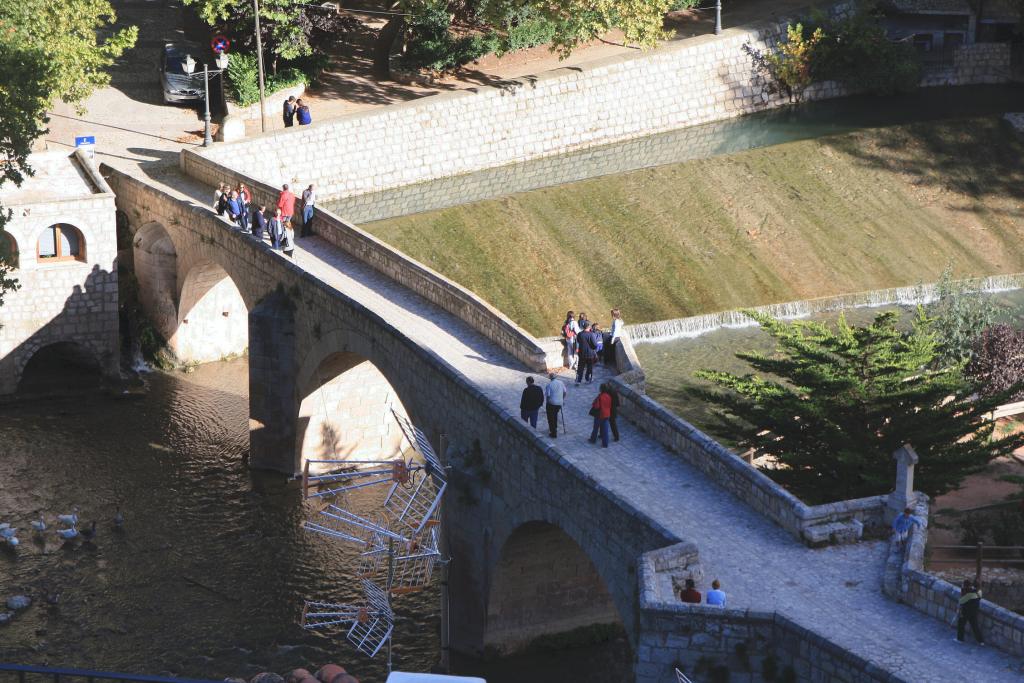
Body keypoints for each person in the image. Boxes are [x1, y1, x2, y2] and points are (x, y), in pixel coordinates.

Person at [956, 580, 984, 645]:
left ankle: (960, 639)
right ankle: (981, 641)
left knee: (961, 624)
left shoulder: (969, 594)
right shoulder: (979, 592)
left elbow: (961, 601)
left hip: (966, 612)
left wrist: (962, 591)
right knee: (975, 626)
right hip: (974, 612)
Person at [544, 372, 566, 438]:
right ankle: (555, 427)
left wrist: (547, 403)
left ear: (550, 378)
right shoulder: (561, 382)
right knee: (555, 415)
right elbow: (565, 392)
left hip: (552, 403)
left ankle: (553, 433)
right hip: (559, 403)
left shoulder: (549, 385)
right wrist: (562, 399)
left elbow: (548, 396)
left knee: (550, 417)